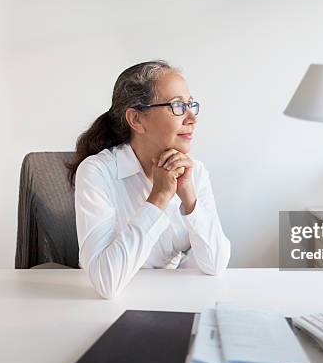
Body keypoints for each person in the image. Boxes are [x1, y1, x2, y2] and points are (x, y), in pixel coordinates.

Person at [66, 60, 231, 299]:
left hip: (172, 300)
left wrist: (190, 200)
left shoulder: (195, 172)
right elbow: (106, 283)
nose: (191, 118)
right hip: (109, 309)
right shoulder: (97, 172)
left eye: (190, 105)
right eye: (176, 106)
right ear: (137, 119)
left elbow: (215, 265)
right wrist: (160, 197)